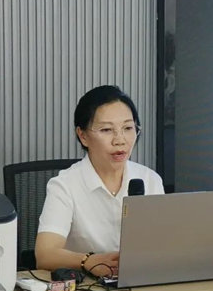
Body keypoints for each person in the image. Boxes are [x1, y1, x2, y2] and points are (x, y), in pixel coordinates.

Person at [35, 85, 164, 277]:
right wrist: (88, 261)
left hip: (141, 282)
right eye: (106, 130)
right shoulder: (65, 185)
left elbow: (162, 245)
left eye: (128, 128)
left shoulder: (150, 179)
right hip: (87, 286)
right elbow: (45, 255)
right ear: (83, 136)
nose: (120, 140)